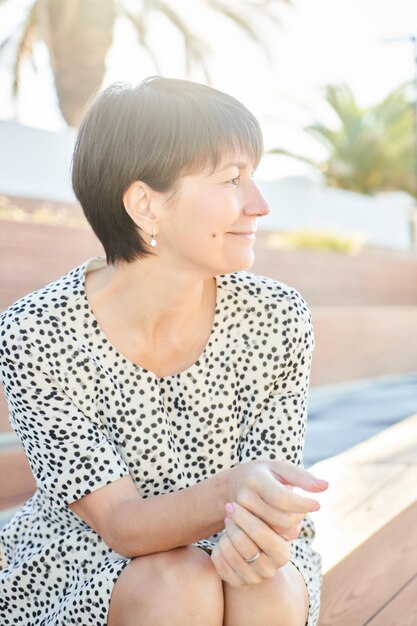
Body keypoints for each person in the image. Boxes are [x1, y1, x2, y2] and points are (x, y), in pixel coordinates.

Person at [0, 76, 328, 626]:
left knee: (261, 584)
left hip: (237, 544)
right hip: (92, 560)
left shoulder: (277, 317)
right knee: (180, 585)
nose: (260, 204)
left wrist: (268, 528)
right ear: (144, 204)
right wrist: (234, 490)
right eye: (232, 179)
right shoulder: (36, 332)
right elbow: (120, 523)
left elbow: (274, 489)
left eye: (254, 177)